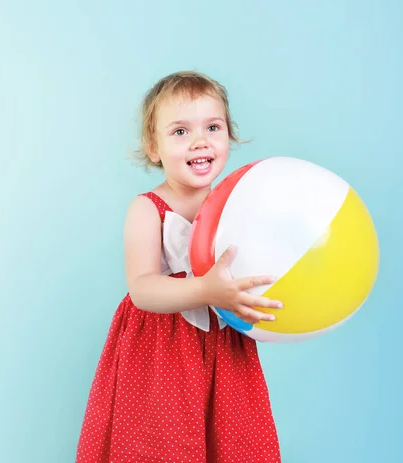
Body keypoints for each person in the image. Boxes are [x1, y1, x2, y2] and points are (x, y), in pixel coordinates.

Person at [75, 70, 282, 463]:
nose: (200, 140)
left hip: (223, 346)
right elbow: (142, 287)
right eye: (180, 132)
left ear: (228, 136)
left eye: (212, 127)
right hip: (161, 351)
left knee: (236, 440)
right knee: (161, 445)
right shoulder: (147, 209)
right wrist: (205, 290)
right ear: (153, 147)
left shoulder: (235, 205)